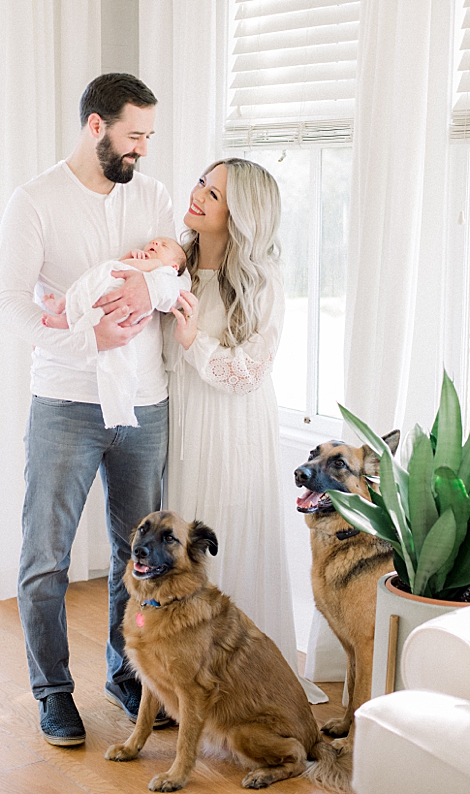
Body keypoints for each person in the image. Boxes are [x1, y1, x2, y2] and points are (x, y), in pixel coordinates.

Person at [0, 73, 182, 747]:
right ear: (96, 127)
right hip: (67, 401)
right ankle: (52, 692)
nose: (143, 151)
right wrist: (85, 334)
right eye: (134, 136)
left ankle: (128, 677)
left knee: (144, 557)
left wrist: (146, 278)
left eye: (149, 138)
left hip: (145, 401)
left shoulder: (153, 195)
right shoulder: (36, 201)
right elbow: (10, 303)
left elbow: (176, 270)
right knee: (45, 554)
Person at [165, 158, 318, 698]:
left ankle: (235, 681)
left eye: (216, 194)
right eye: (202, 182)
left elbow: (249, 369)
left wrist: (193, 342)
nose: (199, 194)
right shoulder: (174, 262)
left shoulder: (262, 280)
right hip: (176, 419)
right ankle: (182, 675)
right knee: (178, 544)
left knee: (222, 538)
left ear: (242, 215)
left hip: (230, 426)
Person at [38, 236, 189, 427]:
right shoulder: (148, 262)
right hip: (109, 287)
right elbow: (120, 266)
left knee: (101, 305)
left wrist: (133, 261)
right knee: (89, 286)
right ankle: (63, 308)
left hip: (121, 301)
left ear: (174, 267)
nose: (155, 243)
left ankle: (65, 316)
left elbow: (122, 268)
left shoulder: (163, 269)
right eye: (154, 242)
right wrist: (129, 258)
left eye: (163, 245)